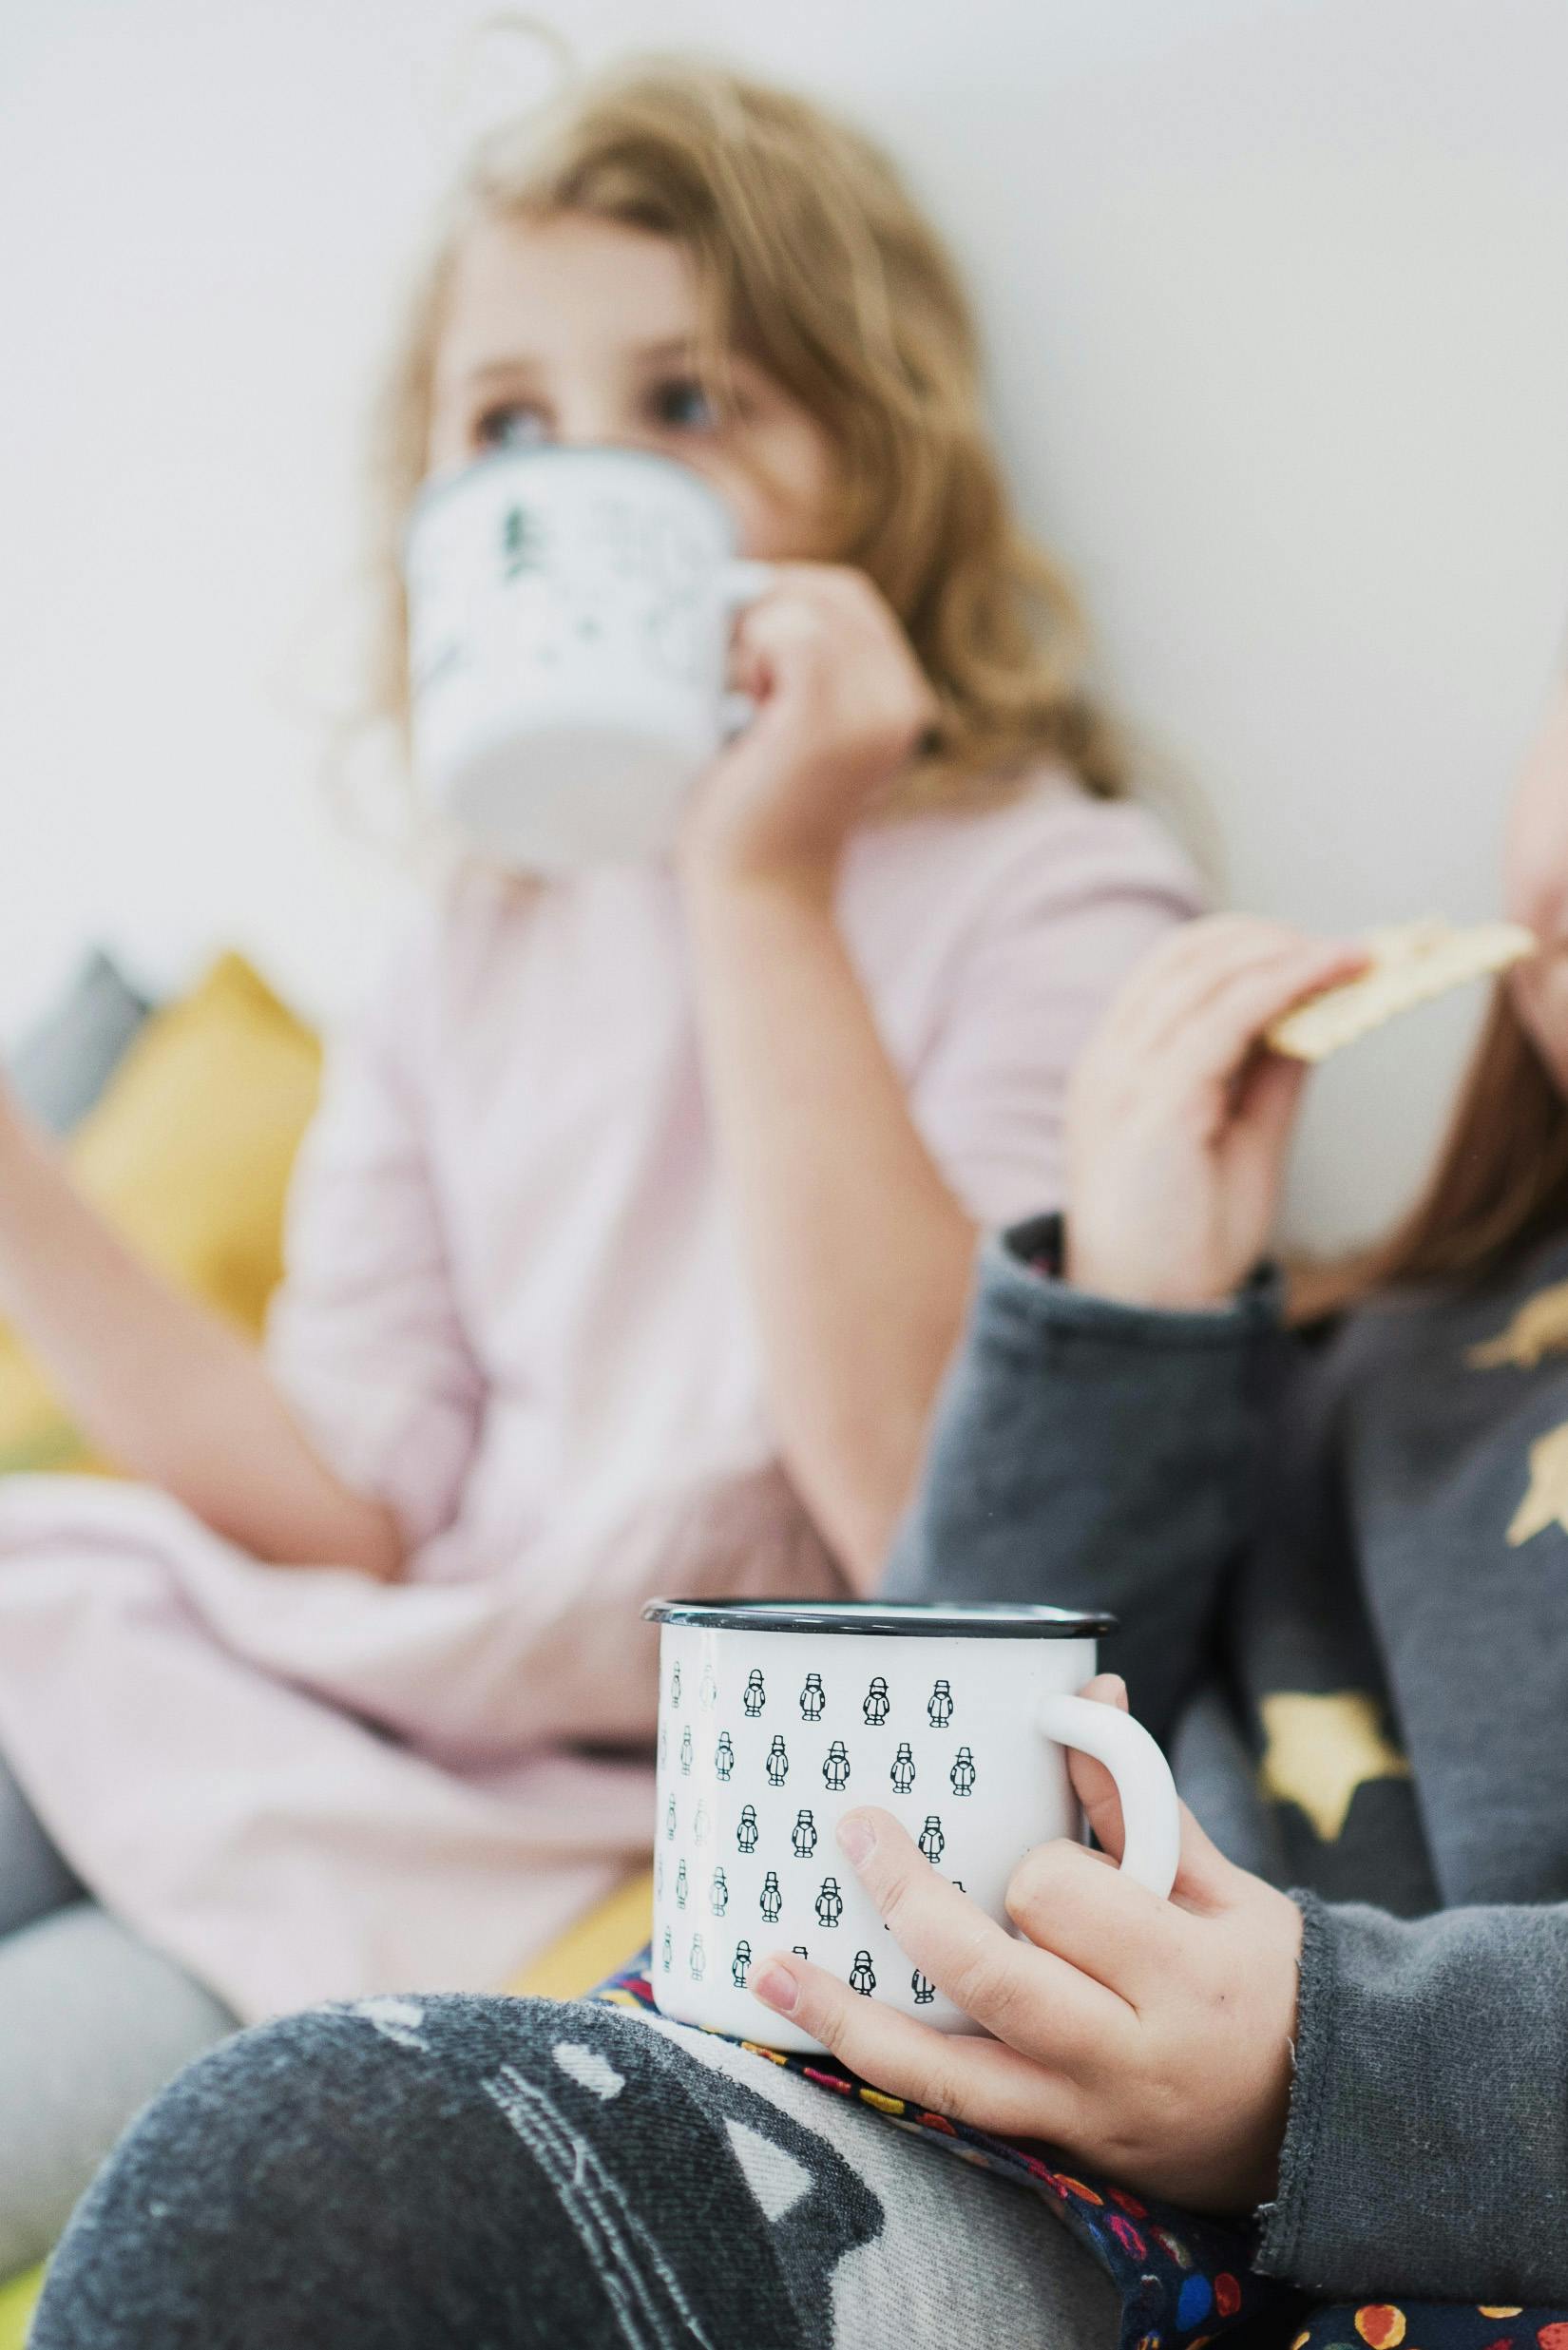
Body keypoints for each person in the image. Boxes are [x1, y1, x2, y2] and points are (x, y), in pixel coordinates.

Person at [0, 54, 1200, 2277]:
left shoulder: (1051, 893)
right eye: (510, 429)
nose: (585, 484)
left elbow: (935, 1521)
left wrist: (761, 885)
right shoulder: (474, 941)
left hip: (618, 1803)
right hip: (362, 1691)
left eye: (691, 401)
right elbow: (357, 1495)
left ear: (877, 460)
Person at [32, 681, 1568, 2348]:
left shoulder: (1029, 888)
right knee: (290, 2180)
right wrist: (1125, 1312)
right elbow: (965, 1676)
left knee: (309, 2193)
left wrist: (1322, 2066)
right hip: (946, 2061)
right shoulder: (1397, 1345)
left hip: (1242, 2207)